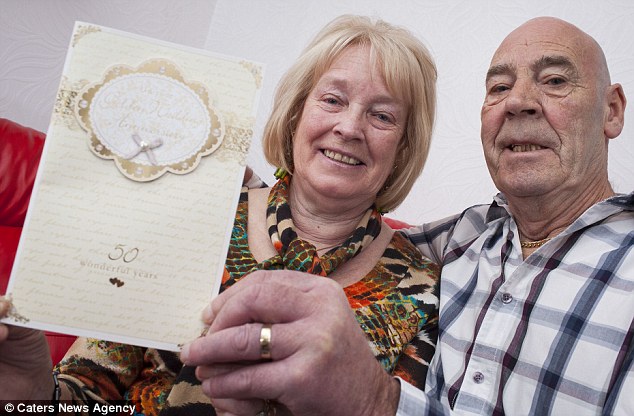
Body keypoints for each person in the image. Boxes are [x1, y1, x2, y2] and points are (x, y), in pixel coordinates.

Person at [181, 16, 633, 415]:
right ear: (296, 114)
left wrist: (374, 401)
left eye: (554, 80)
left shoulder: (419, 276)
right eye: (499, 88)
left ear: (611, 110)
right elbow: (326, 225)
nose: (519, 101)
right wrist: (203, 185)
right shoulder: (466, 240)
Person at [0, 15, 440, 416]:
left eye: (381, 115)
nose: (349, 127)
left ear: (404, 145)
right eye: (332, 100)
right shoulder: (195, 214)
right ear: (295, 113)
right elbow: (84, 399)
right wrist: (33, 391)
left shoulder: (423, 289)